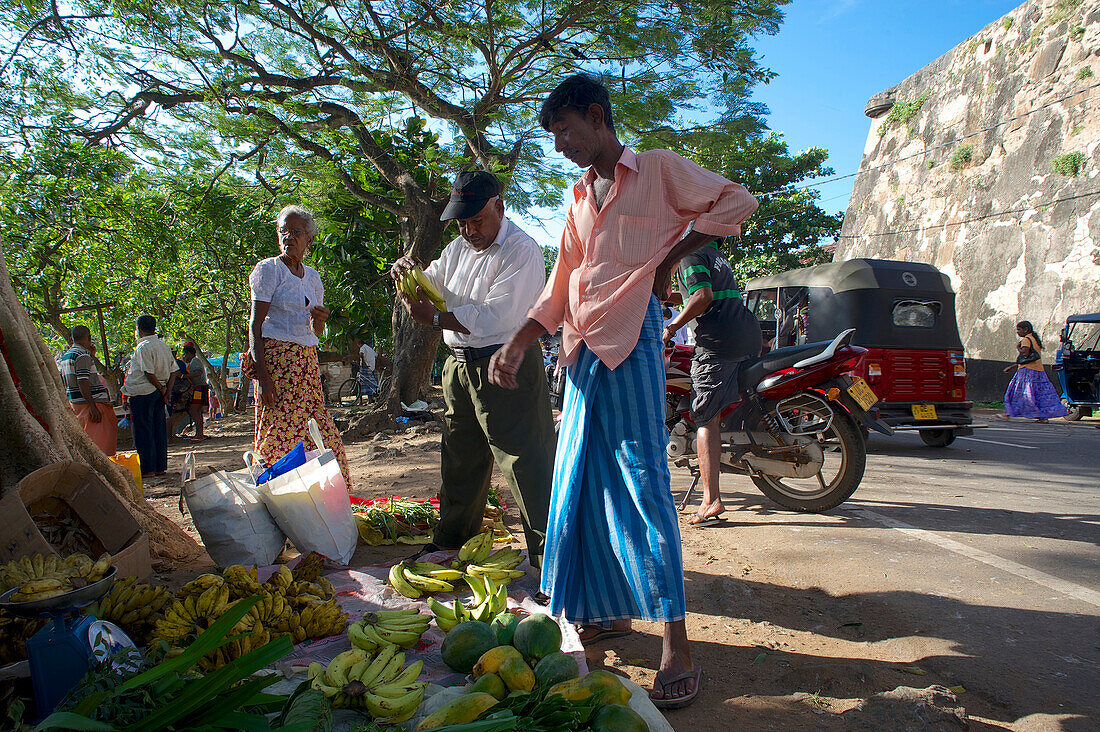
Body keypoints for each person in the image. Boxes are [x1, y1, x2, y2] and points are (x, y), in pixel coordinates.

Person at [488, 74, 758, 709]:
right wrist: (522, 341)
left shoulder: (659, 170)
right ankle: (604, 610)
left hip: (633, 342)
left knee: (642, 486)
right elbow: (560, 286)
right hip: (579, 351)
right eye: (552, 137)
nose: (560, 147)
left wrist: (670, 260)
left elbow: (736, 203)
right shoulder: (580, 197)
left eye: (565, 132)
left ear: (596, 116)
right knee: (580, 486)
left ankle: (677, 646)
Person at [392, 170, 555, 567]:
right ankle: (452, 539)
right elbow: (433, 281)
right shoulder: (456, 250)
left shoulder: (522, 250)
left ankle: (550, 558)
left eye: (476, 220)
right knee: (460, 456)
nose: (468, 230)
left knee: (524, 461)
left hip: (506, 362)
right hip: (460, 366)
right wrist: (407, 274)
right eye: (462, 222)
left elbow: (499, 316)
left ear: (499, 206)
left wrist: (434, 320)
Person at [243, 204, 351, 488]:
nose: (288, 237)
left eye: (296, 232)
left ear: (309, 240)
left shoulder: (313, 278)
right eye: (284, 232)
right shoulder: (269, 270)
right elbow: (255, 326)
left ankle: (323, 494)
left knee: (321, 433)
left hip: (306, 365)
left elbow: (315, 331)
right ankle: (275, 492)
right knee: (280, 433)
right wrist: (265, 380)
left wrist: (321, 320)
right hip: (277, 366)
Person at [663, 239, 762, 526]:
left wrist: (670, 329)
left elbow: (702, 296)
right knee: (718, 410)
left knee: (705, 418)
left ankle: (710, 500)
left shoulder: (688, 255)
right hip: (746, 334)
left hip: (719, 342)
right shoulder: (712, 253)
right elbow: (696, 294)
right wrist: (666, 298)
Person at [121, 315, 176, 477]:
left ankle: (147, 468)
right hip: (159, 391)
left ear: (139, 330)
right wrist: (166, 391)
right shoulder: (164, 346)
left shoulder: (143, 347)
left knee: (143, 430)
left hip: (143, 392)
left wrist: (162, 389)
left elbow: (148, 372)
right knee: (158, 429)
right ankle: (159, 466)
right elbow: (174, 371)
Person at [59, 325, 118, 455]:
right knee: (100, 442)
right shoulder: (82, 355)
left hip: (76, 403)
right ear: (89, 337)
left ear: (72, 338)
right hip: (91, 403)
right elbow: (83, 381)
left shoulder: (66, 356)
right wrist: (92, 406)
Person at [998, 320, 1068, 422]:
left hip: (1027, 372)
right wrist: (1013, 366)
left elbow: (1025, 354)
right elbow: (1031, 358)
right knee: (1039, 395)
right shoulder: (1034, 339)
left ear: (1026, 329)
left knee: (1017, 393)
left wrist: (1018, 348)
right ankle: (1042, 416)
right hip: (1038, 370)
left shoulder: (1026, 340)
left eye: (1019, 329)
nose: (1017, 332)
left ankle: (1008, 413)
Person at [180, 344, 209, 440]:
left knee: (194, 410)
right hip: (200, 388)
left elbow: (198, 373)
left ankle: (199, 434)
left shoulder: (195, 361)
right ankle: (199, 433)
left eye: (184, 354)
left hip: (199, 388)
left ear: (188, 353)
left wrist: (183, 376)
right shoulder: (193, 362)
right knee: (198, 411)